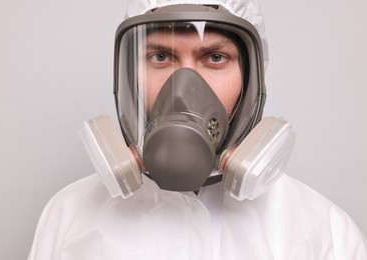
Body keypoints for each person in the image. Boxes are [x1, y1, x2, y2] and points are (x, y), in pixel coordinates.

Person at [27, 0, 367, 259]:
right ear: (130, 77)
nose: (185, 87)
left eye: (215, 58)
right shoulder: (70, 214)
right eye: (160, 56)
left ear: (251, 80)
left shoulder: (323, 232)